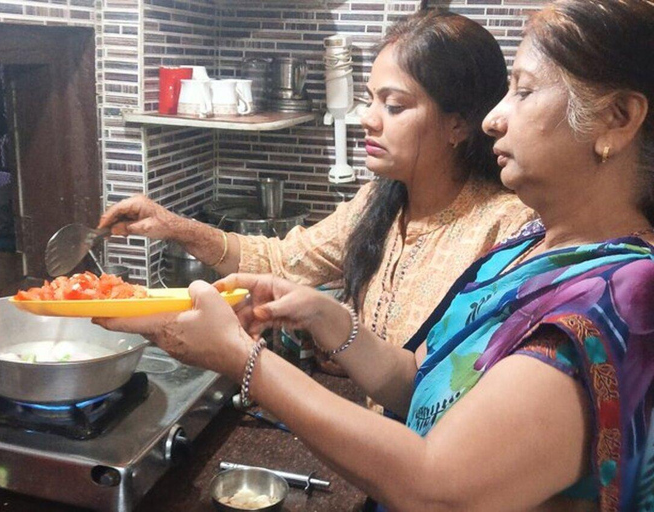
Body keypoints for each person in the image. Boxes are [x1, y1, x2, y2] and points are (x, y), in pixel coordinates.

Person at [96, 0, 654, 510]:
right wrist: (325, 315)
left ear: (618, 119)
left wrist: (241, 360)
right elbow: (423, 379)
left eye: (525, 91)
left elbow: (438, 489)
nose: (494, 118)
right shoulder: (536, 246)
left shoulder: (622, 299)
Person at [98, 10, 535, 365]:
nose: (367, 117)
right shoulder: (379, 201)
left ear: (458, 123)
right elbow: (283, 261)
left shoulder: (505, 229)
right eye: (370, 98)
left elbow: (433, 386)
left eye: (394, 105)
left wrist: (246, 360)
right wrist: (173, 226)